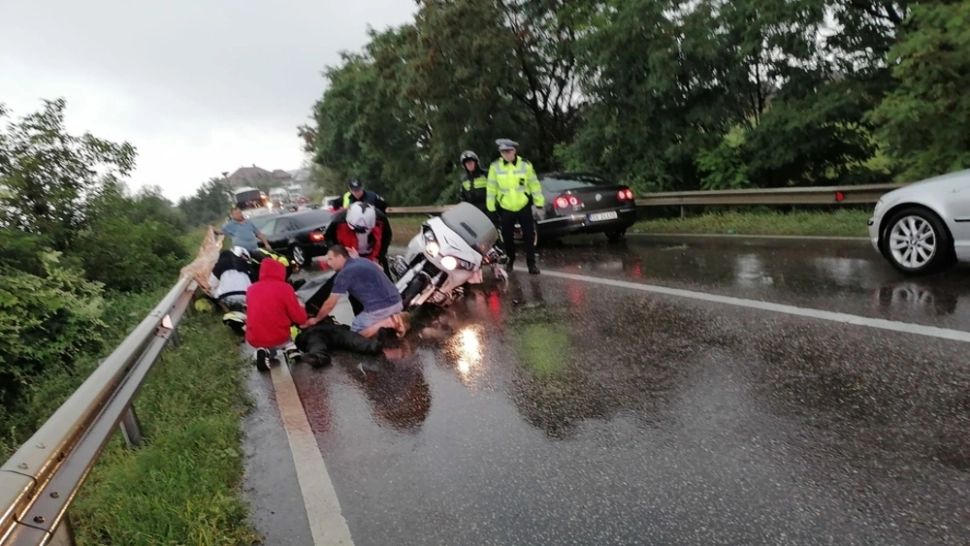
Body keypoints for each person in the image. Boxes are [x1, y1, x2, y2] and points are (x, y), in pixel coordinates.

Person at [302, 245, 408, 339]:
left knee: (355, 334)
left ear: (340, 257)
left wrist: (316, 320)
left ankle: (389, 322)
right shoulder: (363, 260)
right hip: (397, 302)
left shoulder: (344, 273)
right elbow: (380, 269)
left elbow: (330, 304)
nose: (328, 263)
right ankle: (393, 320)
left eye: (331, 259)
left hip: (381, 308)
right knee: (371, 325)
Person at [486, 138, 545, 275]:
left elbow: (534, 184)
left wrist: (539, 202)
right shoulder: (495, 167)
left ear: (514, 151)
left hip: (523, 205)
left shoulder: (525, 165)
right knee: (507, 237)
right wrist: (491, 209)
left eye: (508, 151)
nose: (506, 154)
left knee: (529, 236)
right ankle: (510, 259)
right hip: (506, 206)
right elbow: (491, 188)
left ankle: (531, 264)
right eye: (503, 152)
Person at [245, 258, 308, 372]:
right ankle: (290, 347)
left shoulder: (251, 289)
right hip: (279, 336)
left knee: (266, 341)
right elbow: (300, 318)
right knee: (284, 335)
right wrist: (301, 306)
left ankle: (263, 350)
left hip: (253, 337)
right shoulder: (285, 288)